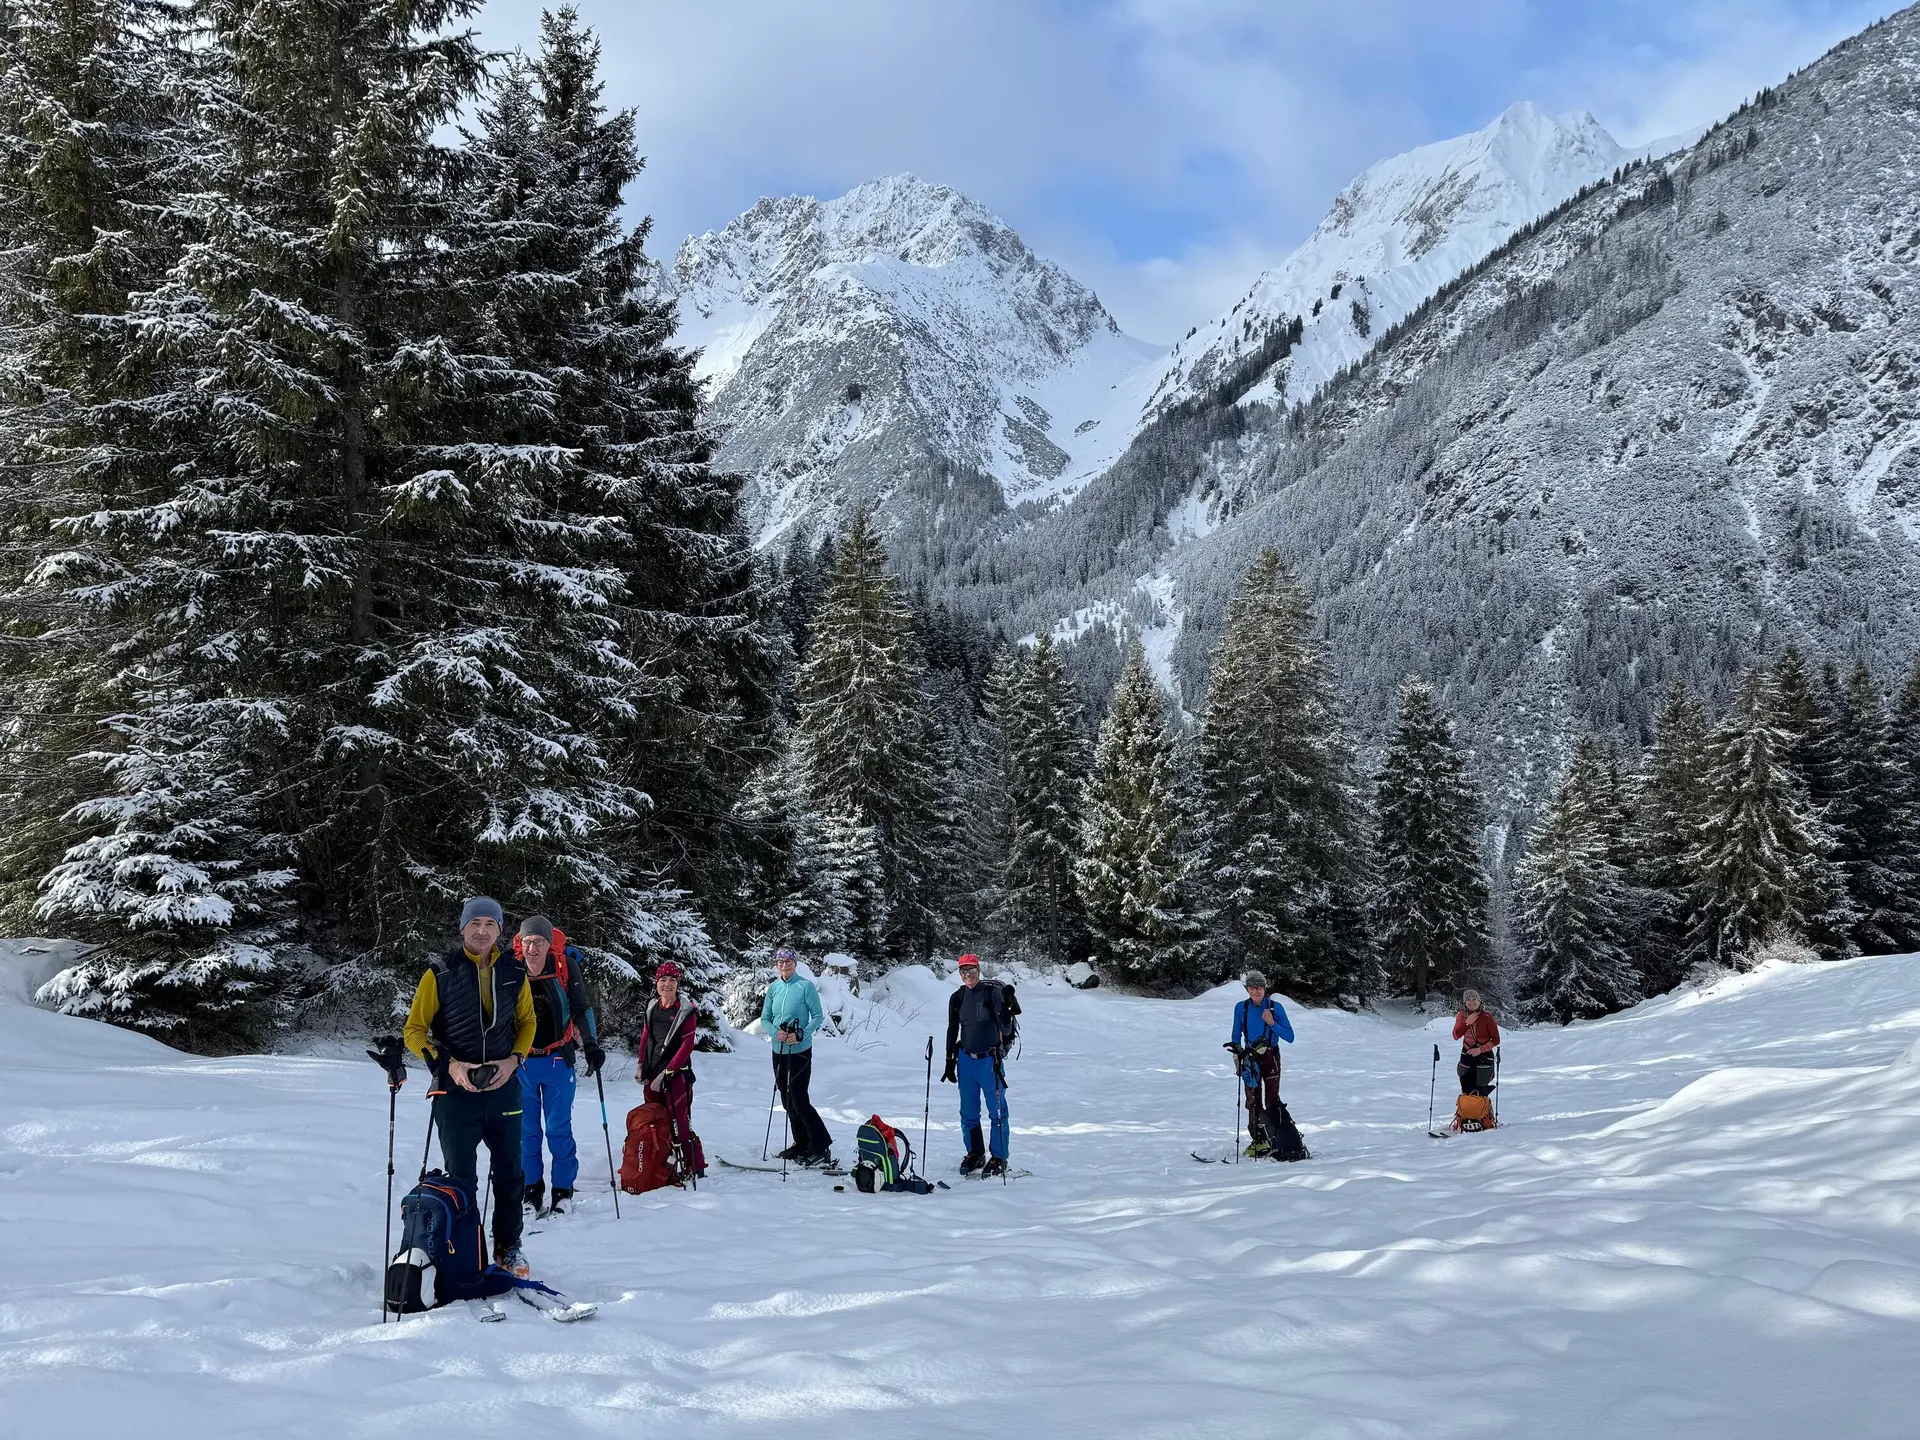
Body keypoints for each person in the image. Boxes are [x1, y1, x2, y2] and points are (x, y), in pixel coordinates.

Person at [403, 896, 536, 1277]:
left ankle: (509, 1247)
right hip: (455, 1092)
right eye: (475, 923)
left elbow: (527, 1023)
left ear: (499, 930)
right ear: (462, 928)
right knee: (461, 1175)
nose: (482, 931)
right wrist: (451, 1066)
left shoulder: (515, 971)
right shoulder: (440, 972)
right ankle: (465, 1246)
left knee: (511, 1172)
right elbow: (414, 1030)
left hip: (504, 1087)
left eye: (490, 924)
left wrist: (514, 1060)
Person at [514, 916, 606, 1215]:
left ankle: (562, 1191)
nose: (532, 948)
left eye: (538, 942)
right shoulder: (511, 969)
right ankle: (531, 1190)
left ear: (548, 944)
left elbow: (581, 1008)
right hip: (522, 1063)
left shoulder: (566, 968)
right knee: (526, 1131)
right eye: (527, 942)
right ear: (521, 944)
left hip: (557, 1059)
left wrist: (591, 1044)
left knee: (557, 1128)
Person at [941, 953, 1014, 1177]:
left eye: (971, 971)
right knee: (968, 1112)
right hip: (965, 1060)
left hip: (989, 1061)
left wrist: (1007, 1011)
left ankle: (999, 1157)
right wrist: (949, 1061)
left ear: (979, 970)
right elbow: (953, 1028)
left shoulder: (992, 994)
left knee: (998, 1112)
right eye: (963, 971)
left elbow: (1007, 1030)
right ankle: (975, 1152)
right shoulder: (957, 997)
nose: (968, 976)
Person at [760, 945, 832, 1165]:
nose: (784, 965)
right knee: (786, 1099)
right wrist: (775, 1032)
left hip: (800, 1051)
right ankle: (801, 1143)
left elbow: (818, 1016)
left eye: (788, 961)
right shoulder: (773, 989)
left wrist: (802, 1034)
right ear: (776, 965)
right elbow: (765, 1019)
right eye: (780, 962)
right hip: (779, 1050)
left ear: (795, 963)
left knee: (799, 1099)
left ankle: (820, 1145)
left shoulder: (805, 986)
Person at [636, 959, 706, 1178]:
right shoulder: (652, 1008)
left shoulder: (686, 1011)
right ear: (656, 983)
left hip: (677, 1075)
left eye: (672, 980)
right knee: (656, 1122)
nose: (667, 984)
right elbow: (646, 1037)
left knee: (680, 1124)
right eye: (662, 979)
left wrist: (667, 1073)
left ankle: (694, 1165)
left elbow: (687, 1046)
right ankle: (663, 1165)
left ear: (678, 983)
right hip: (652, 1072)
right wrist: (641, 1065)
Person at [1228, 971, 1293, 1158]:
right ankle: (1259, 1140)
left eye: (1259, 987)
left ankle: (1278, 1136)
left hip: (1271, 1056)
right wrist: (1236, 1057)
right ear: (1247, 989)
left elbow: (1290, 1037)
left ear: (1265, 988)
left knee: (1271, 1099)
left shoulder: (1275, 1008)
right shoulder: (1241, 1008)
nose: (1255, 991)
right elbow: (1235, 1035)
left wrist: (1272, 1023)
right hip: (1250, 1057)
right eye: (1251, 987)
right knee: (1253, 1100)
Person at [1454, 988, 1500, 1097]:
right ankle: (1465, 1111)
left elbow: (1496, 1040)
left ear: (1479, 1001)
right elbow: (1456, 1035)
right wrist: (1467, 1023)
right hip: (1467, 1054)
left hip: (1484, 1055)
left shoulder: (1486, 1017)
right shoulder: (1461, 1015)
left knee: (1480, 1089)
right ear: (1465, 1003)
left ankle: (1483, 1111)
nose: (1471, 1002)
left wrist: (1480, 1050)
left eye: (1474, 999)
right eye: (1468, 1000)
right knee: (1466, 1088)